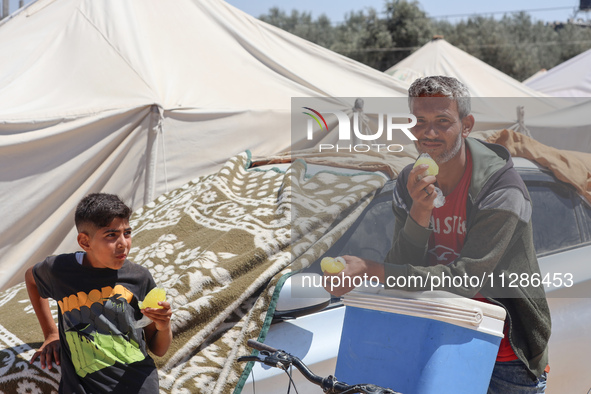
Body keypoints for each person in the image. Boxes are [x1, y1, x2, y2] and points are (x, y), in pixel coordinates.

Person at [324, 76, 551, 393]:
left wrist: (372, 270)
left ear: (466, 124)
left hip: (505, 356)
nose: (428, 132)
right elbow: (402, 264)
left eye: (442, 121)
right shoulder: (409, 182)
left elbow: (466, 280)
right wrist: (420, 210)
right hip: (435, 338)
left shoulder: (501, 188)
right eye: (419, 121)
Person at [25, 193, 173, 394]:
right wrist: (51, 333)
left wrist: (164, 326)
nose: (123, 243)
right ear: (85, 242)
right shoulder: (60, 270)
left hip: (137, 385)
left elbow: (158, 349)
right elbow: (31, 278)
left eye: (127, 233)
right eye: (111, 235)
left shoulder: (139, 277)